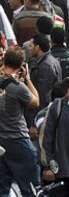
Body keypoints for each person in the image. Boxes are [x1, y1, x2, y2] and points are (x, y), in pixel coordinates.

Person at [0, 47, 40, 197]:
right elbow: (36, 102)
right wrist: (28, 79)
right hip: (18, 139)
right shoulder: (18, 88)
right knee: (30, 187)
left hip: (1, 141)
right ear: (21, 65)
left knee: (2, 186)